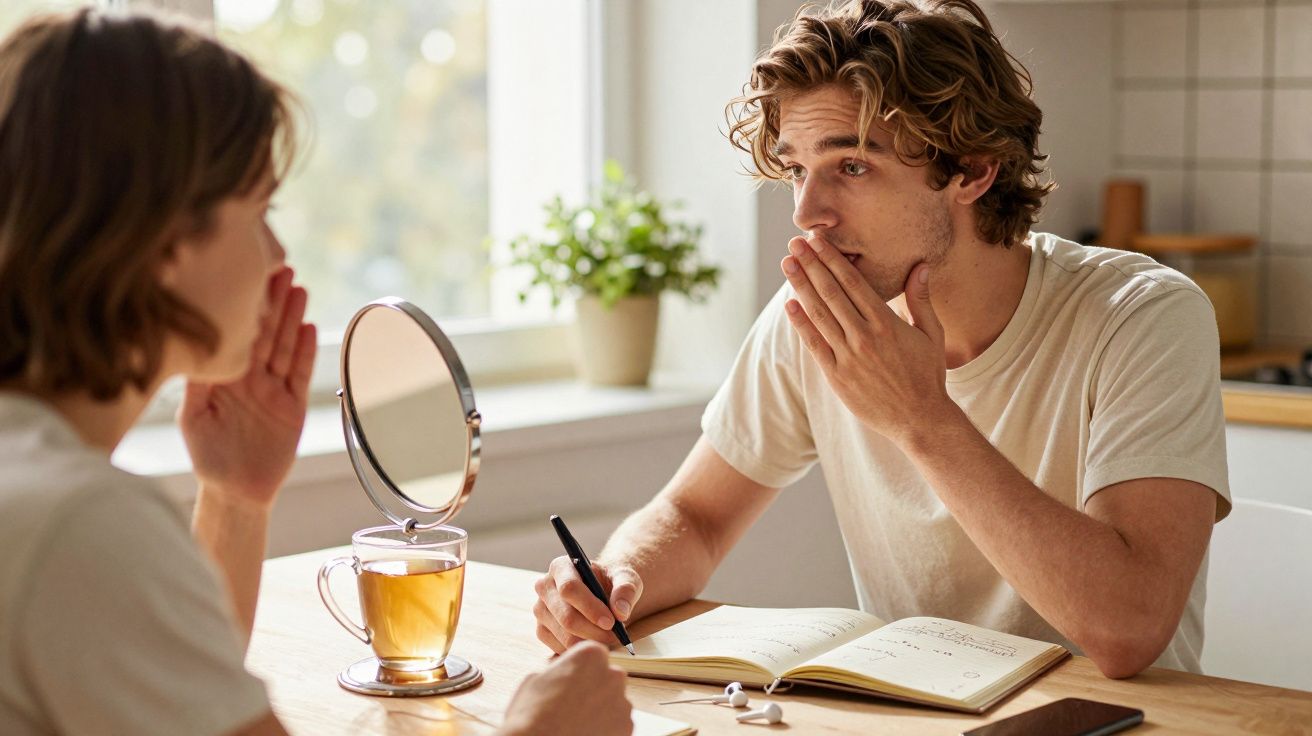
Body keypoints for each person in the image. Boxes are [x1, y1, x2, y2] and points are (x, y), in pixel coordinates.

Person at [534, 0, 1231, 680]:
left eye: (852, 167)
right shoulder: (815, 317)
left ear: (974, 170)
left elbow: (1129, 629)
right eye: (799, 169)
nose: (808, 212)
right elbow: (697, 515)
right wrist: (616, 577)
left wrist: (923, 419)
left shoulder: (1142, 315)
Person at [0, 9, 630, 736]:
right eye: (260, 210)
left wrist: (235, 499)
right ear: (168, 238)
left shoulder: (37, 486)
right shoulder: (85, 525)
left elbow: (183, 708)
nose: (277, 258)